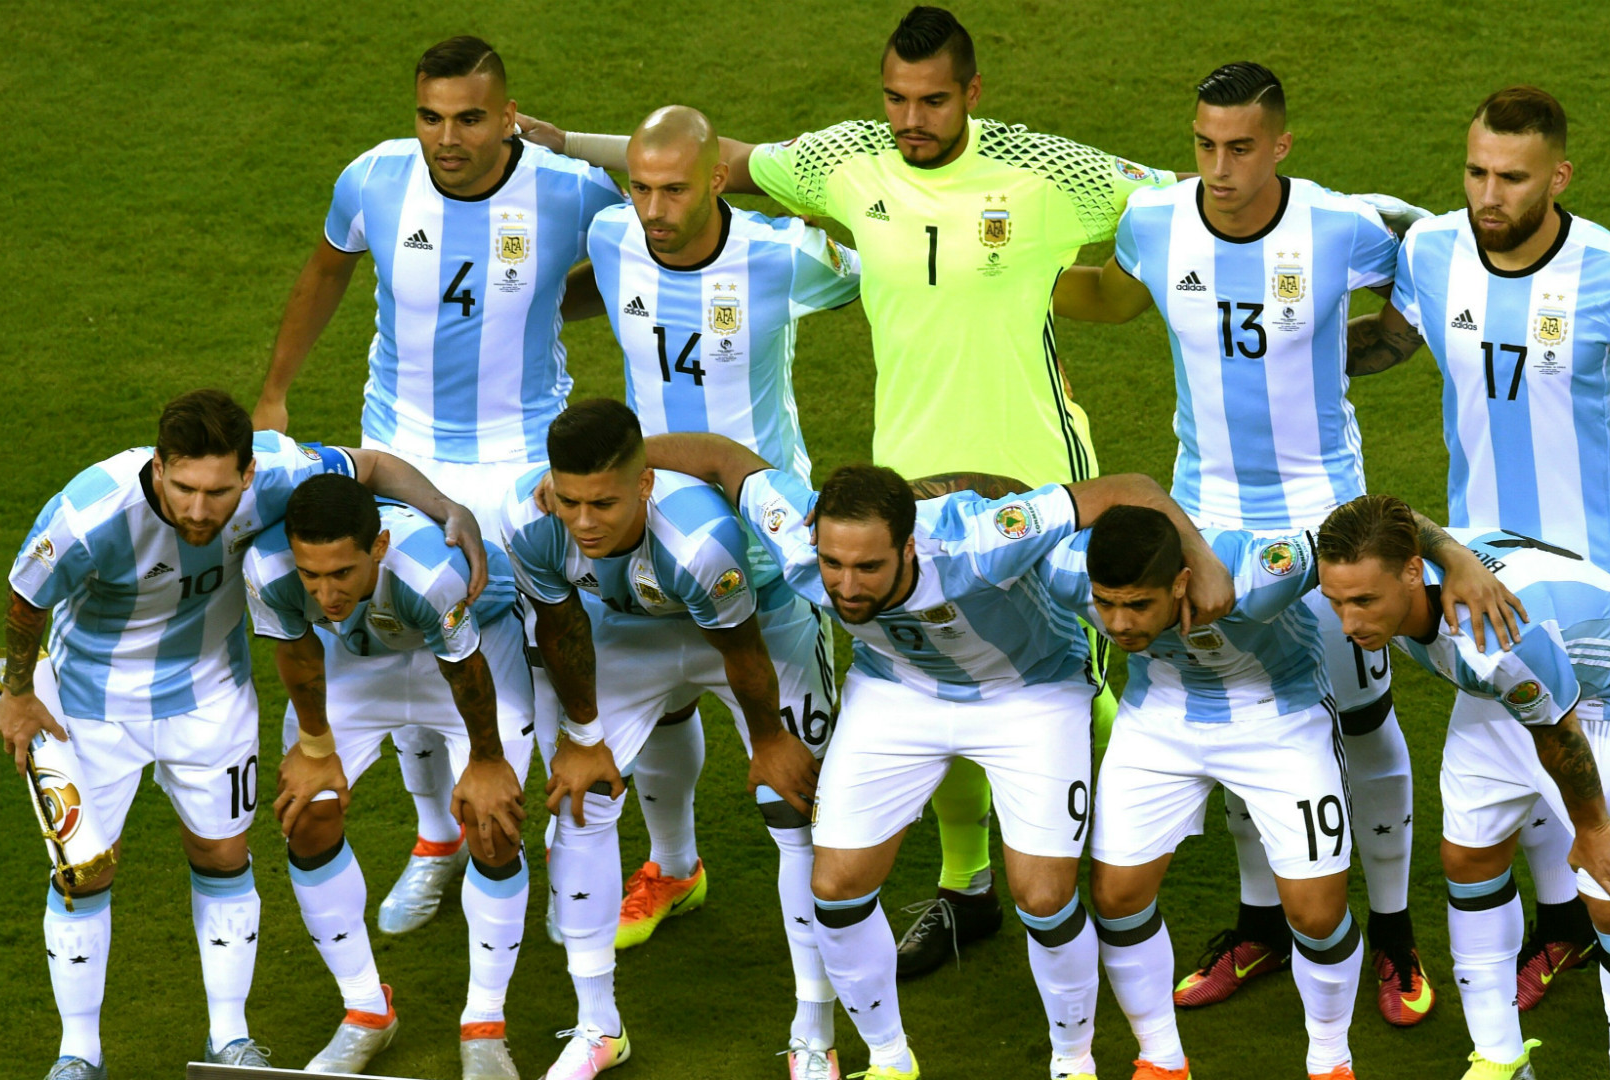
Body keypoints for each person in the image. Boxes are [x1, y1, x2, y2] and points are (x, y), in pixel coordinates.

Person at [518, 5, 1215, 978]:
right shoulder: (849, 162)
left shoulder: (1045, 170)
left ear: (973, 93)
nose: (911, 118)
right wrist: (568, 143)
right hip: (909, 473)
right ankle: (969, 889)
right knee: (936, 660)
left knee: (1061, 670)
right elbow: (720, 158)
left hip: (1038, 462)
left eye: (933, 100)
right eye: (896, 97)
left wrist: (1188, 273)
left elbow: (1186, 202)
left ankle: (1151, 775)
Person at [642, 430, 1228, 1080]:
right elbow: (723, 459)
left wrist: (1199, 555)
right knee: (835, 886)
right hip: (899, 688)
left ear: (910, 544)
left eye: (868, 567)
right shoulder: (794, 533)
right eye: (833, 563)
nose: (845, 584)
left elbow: (1131, 490)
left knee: (1043, 897)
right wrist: (611, 472)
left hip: (1028, 693)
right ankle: (891, 1062)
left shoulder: (982, 538)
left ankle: (1073, 1062)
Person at [1050, 61, 1431, 1023]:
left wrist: (1347, 358)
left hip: (1323, 518)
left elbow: (1424, 288)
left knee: (1358, 717)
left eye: (1242, 148)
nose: (1220, 167)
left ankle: (1394, 937)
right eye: (1205, 145)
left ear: (1282, 145)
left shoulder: (1341, 228)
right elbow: (1113, 296)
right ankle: (1261, 926)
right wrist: (1012, 275)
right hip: (1202, 515)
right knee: (1237, 707)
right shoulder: (1155, 221)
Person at [1346, 85, 1610, 1042]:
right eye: (1474, 171)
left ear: (1558, 175)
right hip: (1486, 569)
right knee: (1526, 740)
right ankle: (1562, 930)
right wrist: (1282, 349)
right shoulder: (1430, 252)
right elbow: (1391, 342)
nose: (1487, 193)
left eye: (1510, 176)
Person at [0, 389, 485, 1080]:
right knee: (84, 870)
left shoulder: (283, 471)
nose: (199, 510)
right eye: (185, 487)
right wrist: (17, 695)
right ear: (159, 467)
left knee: (223, 855)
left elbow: (370, 468)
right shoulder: (88, 511)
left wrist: (449, 510)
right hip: (89, 706)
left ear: (249, 476)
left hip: (209, 698)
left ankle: (231, 1039)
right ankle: (78, 1055)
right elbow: (27, 596)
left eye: (219, 492)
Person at [251, 34, 624, 933]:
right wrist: (275, 390)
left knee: (541, 636)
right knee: (393, 628)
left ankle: (548, 810)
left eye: (467, 119)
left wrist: (545, 295)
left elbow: (645, 255)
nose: (446, 138)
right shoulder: (375, 179)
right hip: (399, 443)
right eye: (429, 116)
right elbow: (328, 268)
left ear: (507, 116)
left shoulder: (570, 189)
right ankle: (435, 836)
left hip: (517, 454)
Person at [1042, 502, 1521, 1080]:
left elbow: (1379, 518)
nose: (1118, 625)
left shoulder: (1259, 572)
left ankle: (1329, 1062)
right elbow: (1009, 516)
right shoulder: (1066, 570)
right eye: (1106, 605)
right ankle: (1161, 1061)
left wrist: (1457, 559)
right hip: (1161, 715)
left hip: (1279, 717)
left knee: (1317, 916)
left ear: (1182, 581)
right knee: (1117, 897)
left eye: (1139, 605)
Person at [568, 104, 861, 948]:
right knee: (665, 705)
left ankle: (835, 946)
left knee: (800, 779)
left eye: (674, 191)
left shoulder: (782, 256)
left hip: (767, 547)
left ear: (718, 180)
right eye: (641, 188)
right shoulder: (614, 237)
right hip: (643, 532)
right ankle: (673, 867)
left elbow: (883, 257)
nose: (654, 211)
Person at [504, 401, 838, 1080]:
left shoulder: (699, 538)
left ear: (646, 483)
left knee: (796, 811)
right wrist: (583, 734)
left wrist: (771, 738)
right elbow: (559, 623)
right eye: (570, 501)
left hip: (759, 627)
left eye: (604, 503)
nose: (585, 522)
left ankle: (815, 1029)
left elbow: (740, 649)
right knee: (580, 802)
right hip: (634, 628)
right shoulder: (531, 521)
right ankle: (599, 1028)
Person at [1318, 493, 1610, 1080]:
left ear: (1412, 573)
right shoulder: (1394, 554)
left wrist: (1593, 827)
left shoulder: (1488, 639)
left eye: (1364, 601)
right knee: (1466, 857)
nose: (1349, 622)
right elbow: (1399, 512)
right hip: (1518, 693)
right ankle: (1501, 1060)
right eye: (1336, 601)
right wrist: (1457, 553)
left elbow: (1558, 732)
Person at [243, 475, 534, 1078]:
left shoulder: (431, 572)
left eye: (341, 574)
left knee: (492, 822)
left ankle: (485, 1025)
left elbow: (465, 669)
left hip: (472, 648)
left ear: (377, 547)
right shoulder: (267, 570)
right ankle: (366, 1012)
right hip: (361, 659)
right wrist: (316, 748)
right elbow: (297, 651)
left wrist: (486, 761)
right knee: (306, 813)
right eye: (311, 575)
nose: (324, 592)